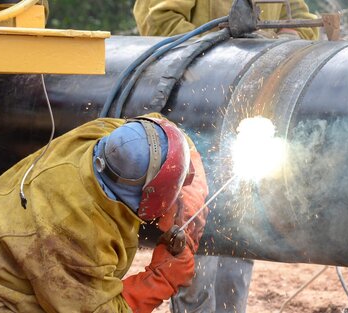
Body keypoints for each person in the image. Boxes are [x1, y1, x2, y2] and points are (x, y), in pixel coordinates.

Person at [132, 1, 319, 312]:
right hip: (197, 110)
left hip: (250, 113)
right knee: (196, 241)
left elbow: (301, 19)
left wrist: (288, 34)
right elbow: (158, 21)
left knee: (240, 232)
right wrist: (224, 50)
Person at [0, 112, 209, 313]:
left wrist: (189, 182)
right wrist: (161, 278)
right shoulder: (75, 233)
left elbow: (161, 130)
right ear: (150, 195)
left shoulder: (108, 136)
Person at [133, 0, 319, 40]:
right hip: (194, 84)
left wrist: (289, 38)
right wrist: (217, 51)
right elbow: (160, 20)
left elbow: (299, 18)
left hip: (261, 79)